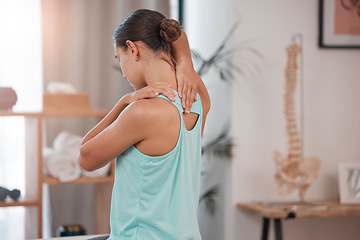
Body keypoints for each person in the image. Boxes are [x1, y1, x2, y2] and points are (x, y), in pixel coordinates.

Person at [78, 9, 210, 240]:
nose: (123, 74)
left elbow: (85, 158)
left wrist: (122, 103)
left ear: (133, 49)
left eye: (120, 60)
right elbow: (177, 34)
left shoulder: (142, 112)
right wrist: (186, 63)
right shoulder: (199, 98)